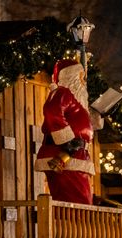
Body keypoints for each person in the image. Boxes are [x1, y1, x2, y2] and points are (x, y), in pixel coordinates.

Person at [34, 58, 95, 204]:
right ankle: (74, 226)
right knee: (77, 203)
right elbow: (52, 111)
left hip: (76, 154)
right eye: (80, 76)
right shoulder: (63, 92)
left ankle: (73, 225)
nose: (83, 80)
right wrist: (66, 140)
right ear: (71, 76)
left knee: (79, 202)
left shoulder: (76, 99)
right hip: (65, 155)